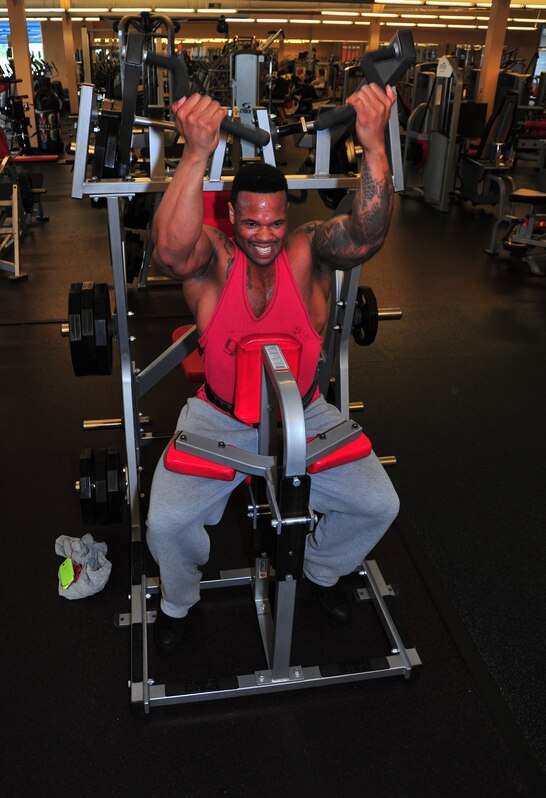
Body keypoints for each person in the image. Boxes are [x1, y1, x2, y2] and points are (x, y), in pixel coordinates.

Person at [148, 83, 400, 652]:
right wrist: (195, 152)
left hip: (304, 413)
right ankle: (178, 601)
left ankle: (322, 571)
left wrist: (374, 145)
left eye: (275, 223)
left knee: (378, 504)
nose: (264, 237)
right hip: (218, 419)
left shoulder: (307, 251)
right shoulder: (212, 260)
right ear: (232, 215)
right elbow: (167, 253)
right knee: (166, 523)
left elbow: (368, 233)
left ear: (288, 217)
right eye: (252, 224)